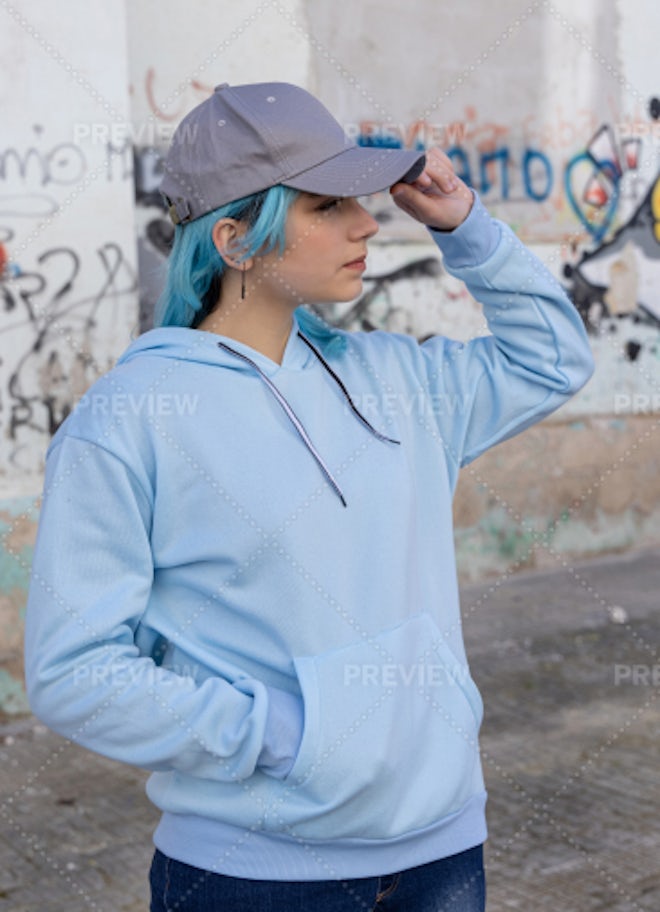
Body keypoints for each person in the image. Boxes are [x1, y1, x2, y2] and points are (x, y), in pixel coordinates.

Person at [24, 81, 594, 911]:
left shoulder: (398, 378)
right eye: (327, 206)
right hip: (249, 875)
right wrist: (281, 734)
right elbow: (74, 670)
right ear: (235, 240)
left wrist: (466, 227)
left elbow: (553, 360)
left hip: (444, 853)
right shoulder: (130, 419)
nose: (367, 223)